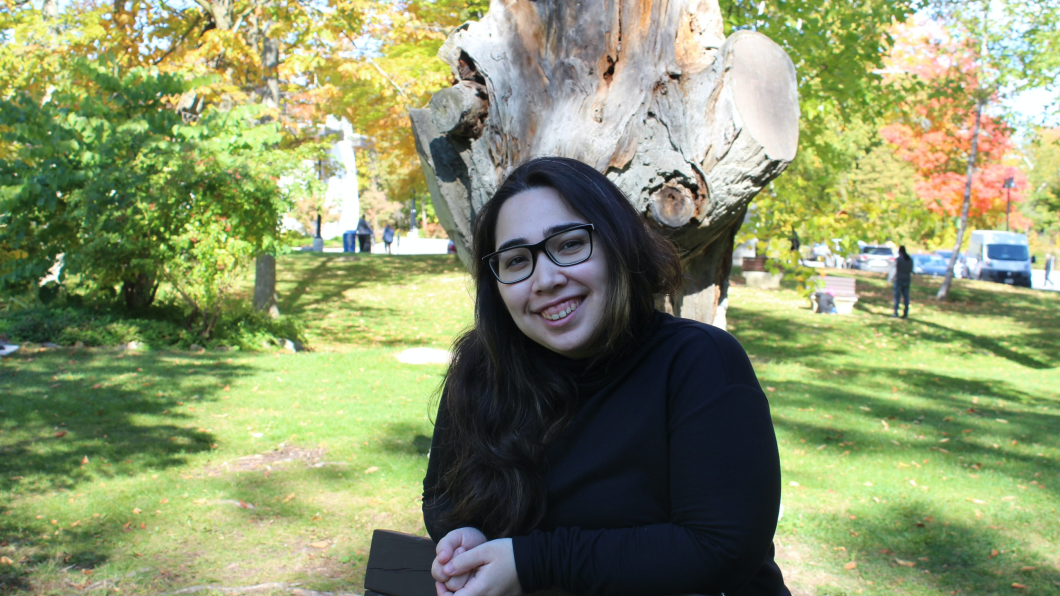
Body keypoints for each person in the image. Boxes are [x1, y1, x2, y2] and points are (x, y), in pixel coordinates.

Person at [423, 157, 789, 596]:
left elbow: (721, 548)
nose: (545, 279)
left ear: (619, 243)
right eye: (517, 260)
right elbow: (444, 497)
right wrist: (467, 536)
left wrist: (532, 563)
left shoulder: (699, 363)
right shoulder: (484, 370)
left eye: (570, 244)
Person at [889, 245, 913, 318]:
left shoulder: (899, 259)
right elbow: (911, 270)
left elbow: (894, 270)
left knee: (897, 297)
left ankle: (895, 312)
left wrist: (890, 279)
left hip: (899, 280)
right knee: (906, 297)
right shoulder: (910, 259)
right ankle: (905, 313)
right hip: (907, 280)